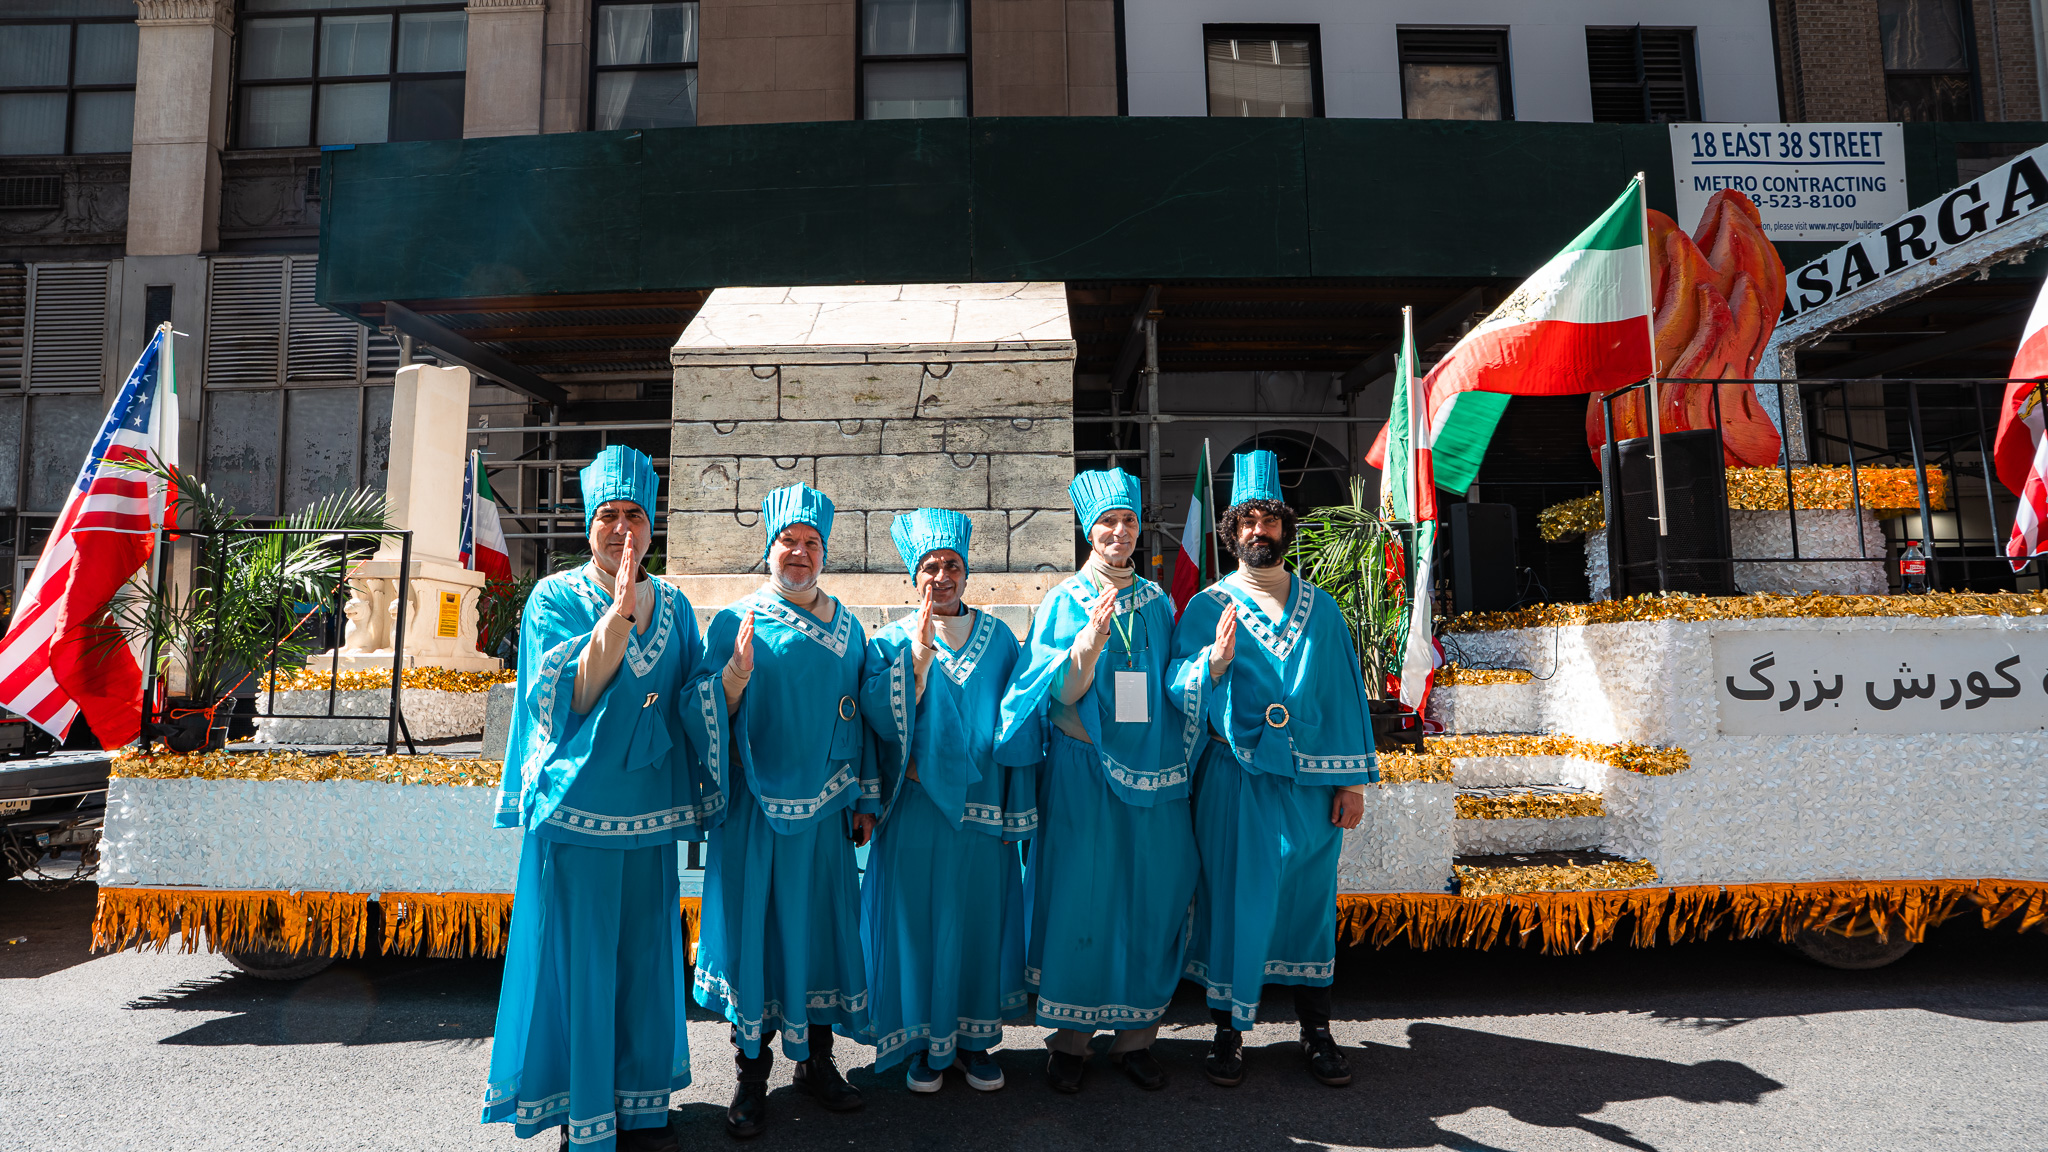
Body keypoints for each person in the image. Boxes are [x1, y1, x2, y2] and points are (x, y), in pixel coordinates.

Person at [483, 444, 713, 1152]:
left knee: (646, 959)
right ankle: (586, 1111)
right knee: (582, 962)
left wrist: (730, 687)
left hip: (648, 815)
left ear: (653, 526)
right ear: (590, 525)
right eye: (609, 516)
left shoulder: (673, 601)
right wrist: (615, 620)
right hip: (578, 813)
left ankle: (640, 1102)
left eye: (635, 516)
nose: (622, 530)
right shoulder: (555, 596)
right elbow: (564, 698)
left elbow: (690, 692)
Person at [1169, 450, 1375, 1089]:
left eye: (1270, 519)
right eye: (1247, 521)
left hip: (1311, 791)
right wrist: (1214, 665)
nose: (1260, 530)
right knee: (1233, 902)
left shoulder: (1324, 610)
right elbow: (1177, 690)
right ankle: (1228, 1036)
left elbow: (1344, 695)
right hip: (1235, 784)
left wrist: (1350, 782)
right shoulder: (1206, 608)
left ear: (1285, 528)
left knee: (1309, 905)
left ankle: (1317, 1031)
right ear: (1230, 533)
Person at [995, 468, 1204, 1094]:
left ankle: (1138, 1039)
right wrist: (1086, 648)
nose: (1119, 532)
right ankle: (1071, 1042)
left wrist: (1210, 663)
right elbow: (1053, 692)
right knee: (1080, 899)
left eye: (1129, 521)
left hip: (1154, 775)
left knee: (1150, 897)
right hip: (1084, 772)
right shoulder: (1064, 600)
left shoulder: (1161, 602)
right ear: (1090, 531)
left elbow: (1169, 683)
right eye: (1108, 522)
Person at [682, 482, 878, 1140]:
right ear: (769, 549)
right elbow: (699, 710)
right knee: (755, 938)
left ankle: (817, 1063)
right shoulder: (733, 620)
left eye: (811, 542)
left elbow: (865, 716)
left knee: (819, 932)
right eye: (788, 541)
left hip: (824, 816)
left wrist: (863, 796)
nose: (800, 552)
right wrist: (733, 677)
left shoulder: (851, 627)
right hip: (753, 813)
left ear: (826, 551)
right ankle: (750, 1073)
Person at [858, 509, 1037, 1095]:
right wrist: (913, 666)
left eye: (951, 566)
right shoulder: (888, 639)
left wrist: (1017, 805)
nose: (941, 576)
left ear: (967, 574)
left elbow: (1016, 722)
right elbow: (876, 723)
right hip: (913, 808)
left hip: (981, 808)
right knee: (918, 924)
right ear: (914, 578)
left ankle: (976, 1042)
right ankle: (925, 1045)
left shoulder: (1002, 638)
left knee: (976, 924)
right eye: (929, 567)